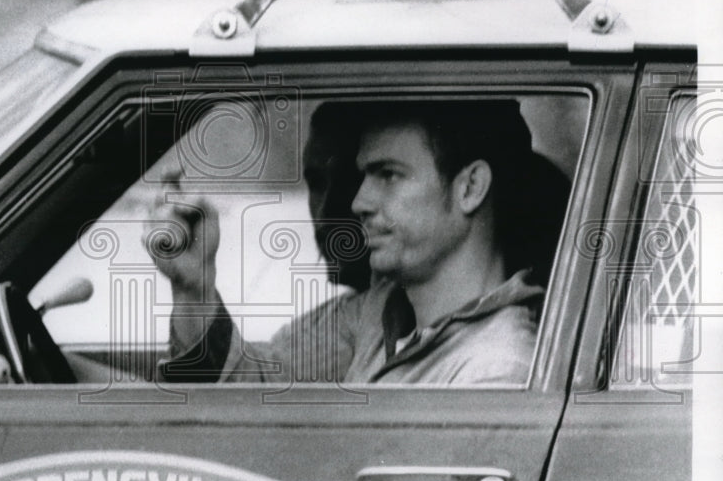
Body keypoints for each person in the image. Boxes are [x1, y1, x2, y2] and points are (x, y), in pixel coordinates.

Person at [144, 99, 560, 386]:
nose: (358, 203)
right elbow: (253, 386)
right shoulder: (381, 313)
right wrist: (194, 288)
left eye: (389, 175)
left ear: (470, 187)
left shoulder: (494, 373)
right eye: (364, 177)